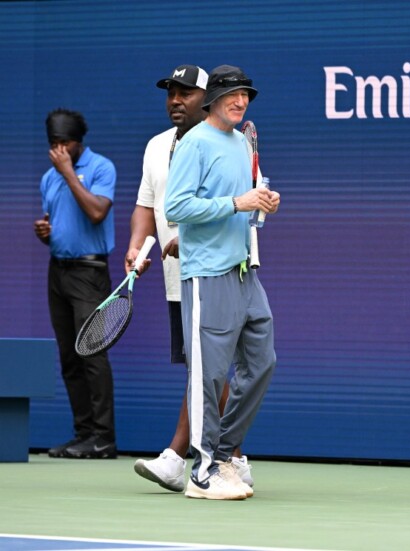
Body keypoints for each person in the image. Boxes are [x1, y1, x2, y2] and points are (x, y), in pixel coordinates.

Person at [125, 65, 255, 493]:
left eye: (185, 93)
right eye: (170, 93)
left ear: (208, 97)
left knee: (211, 368)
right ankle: (213, 457)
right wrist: (136, 244)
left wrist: (191, 234)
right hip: (175, 273)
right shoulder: (156, 146)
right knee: (202, 368)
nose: (175, 100)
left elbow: (239, 203)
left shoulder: (231, 142)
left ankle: (194, 457)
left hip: (219, 267)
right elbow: (148, 205)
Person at [165, 64, 280, 500]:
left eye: (245, 95)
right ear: (212, 99)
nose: (241, 101)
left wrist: (262, 201)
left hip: (245, 271)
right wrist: (236, 202)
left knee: (262, 361)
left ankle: (223, 453)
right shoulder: (194, 143)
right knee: (209, 376)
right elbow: (177, 207)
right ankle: (202, 471)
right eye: (232, 95)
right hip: (207, 274)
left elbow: (245, 201)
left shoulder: (239, 142)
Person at [33, 109, 118, 459]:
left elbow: (97, 212)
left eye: (65, 143)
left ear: (78, 142)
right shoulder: (47, 178)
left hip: (89, 272)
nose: (59, 151)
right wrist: (46, 233)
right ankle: (83, 434)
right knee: (69, 357)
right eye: (53, 144)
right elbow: (60, 224)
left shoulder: (101, 168)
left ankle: (103, 438)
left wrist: (69, 174)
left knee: (92, 355)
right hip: (59, 271)